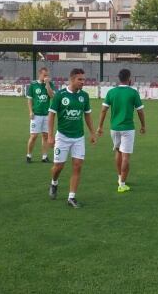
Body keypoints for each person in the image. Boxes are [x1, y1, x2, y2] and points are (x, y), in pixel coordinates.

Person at [47, 68, 97, 208]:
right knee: (58, 167)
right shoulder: (60, 95)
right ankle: (54, 183)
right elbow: (51, 115)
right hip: (62, 137)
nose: (83, 82)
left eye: (83, 79)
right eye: (80, 79)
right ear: (72, 79)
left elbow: (87, 115)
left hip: (78, 137)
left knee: (77, 166)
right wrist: (50, 136)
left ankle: (71, 197)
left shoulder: (84, 96)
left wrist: (92, 133)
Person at [97, 69, 145, 193]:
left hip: (114, 128)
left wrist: (100, 126)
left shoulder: (111, 92)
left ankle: (120, 177)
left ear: (119, 78)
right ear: (129, 78)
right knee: (126, 156)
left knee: (118, 151)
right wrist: (143, 125)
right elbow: (140, 111)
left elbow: (103, 110)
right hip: (128, 128)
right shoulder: (133, 93)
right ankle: (122, 184)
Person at [26, 67, 55, 163]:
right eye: (44, 75)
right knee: (34, 136)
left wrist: (47, 84)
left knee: (45, 136)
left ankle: (44, 156)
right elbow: (29, 99)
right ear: (40, 74)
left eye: (47, 75)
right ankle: (29, 155)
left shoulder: (50, 84)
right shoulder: (33, 85)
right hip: (36, 115)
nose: (46, 77)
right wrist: (30, 111)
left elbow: (52, 96)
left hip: (47, 115)